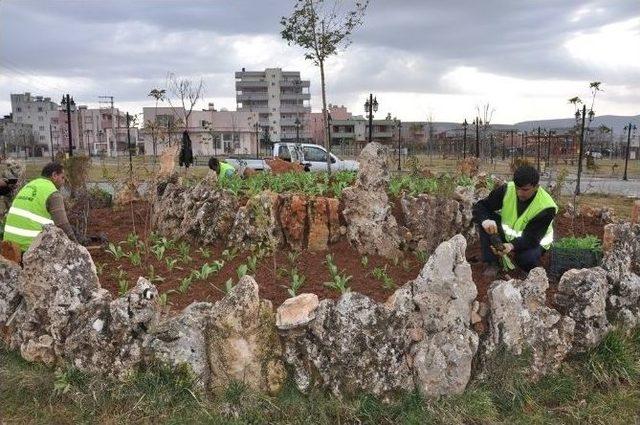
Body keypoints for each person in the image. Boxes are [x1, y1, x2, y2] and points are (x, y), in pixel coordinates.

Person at [472, 164, 557, 277]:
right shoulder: (507, 189)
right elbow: (481, 206)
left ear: (536, 186)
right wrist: (485, 221)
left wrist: (511, 246)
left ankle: (531, 270)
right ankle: (492, 262)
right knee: (487, 223)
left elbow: (531, 238)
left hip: (535, 241)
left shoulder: (546, 206)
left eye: (525, 190)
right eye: (517, 188)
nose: (519, 193)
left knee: (525, 259)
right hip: (511, 235)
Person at [3, 161, 78, 252]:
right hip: (29, 248)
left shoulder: (29, 186)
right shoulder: (52, 192)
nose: (63, 181)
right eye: (62, 177)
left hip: (8, 246)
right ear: (54, 175)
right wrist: (76, 246)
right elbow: (62, 224)